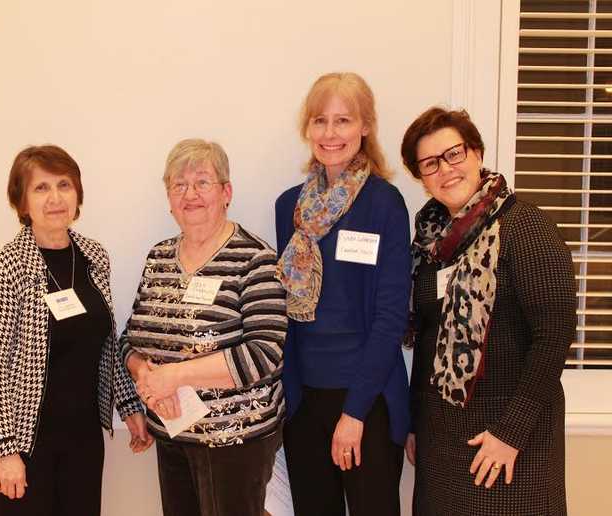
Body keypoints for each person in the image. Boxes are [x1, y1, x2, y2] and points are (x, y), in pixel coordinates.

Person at [400, 107, 576, 516]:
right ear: (421, 178)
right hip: (441, 441)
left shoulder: (524, 226)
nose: (445, 169)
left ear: (476, 152)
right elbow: (427, 341)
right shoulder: (428, 248)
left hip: (511, 442)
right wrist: (414, 422)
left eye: (454, 154)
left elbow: (553, 338)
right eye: (430, 164)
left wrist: (510, 433)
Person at [0, 145, 151, 516]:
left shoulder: (94, 257)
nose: (54, 198)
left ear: (77, 194)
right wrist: (5, 451)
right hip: (20, 443)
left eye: (64, 185)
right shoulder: (5, 268)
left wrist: (129, 405)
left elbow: (104, 344)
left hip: (81, 440)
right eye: (40, 188)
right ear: (21, 203)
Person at [120, 138, 287, 516]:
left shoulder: (256, 260)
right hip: (172, 433)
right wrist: (145, 374)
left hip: (236, 440)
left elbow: (264, 355)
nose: (190, 194)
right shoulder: (159, 258)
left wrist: (174, 376)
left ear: (226, 192)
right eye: (179, 185)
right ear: (168, 198)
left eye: (202, 182)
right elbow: (129, 340)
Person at [275, 72, 411, 516]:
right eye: (320, 121)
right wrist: (291, 404)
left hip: (366, 399)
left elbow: (391, 317)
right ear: (307, 129)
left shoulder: (384, 203)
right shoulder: (288, 207)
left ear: (366, 127)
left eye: (343, 121)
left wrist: (354, 413)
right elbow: (286, 313)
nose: (330, 134)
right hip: (305, 401)